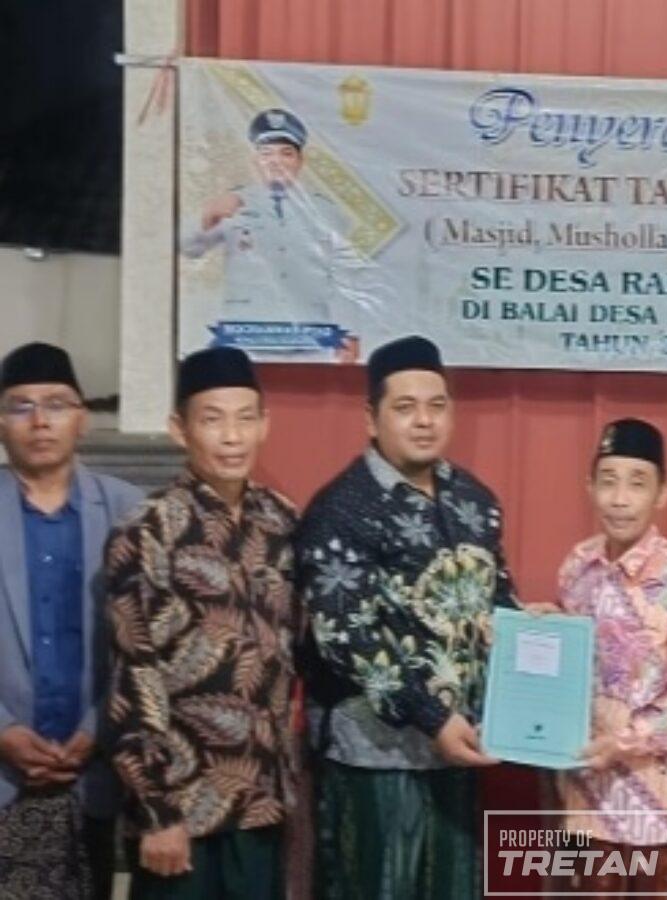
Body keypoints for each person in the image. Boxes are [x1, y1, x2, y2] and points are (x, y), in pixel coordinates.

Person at [296, 335, 518, 899]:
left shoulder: (474, 500)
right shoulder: (341, 509)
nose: (424, 421)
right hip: (375, 758)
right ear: (371, 419)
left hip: (457, 750)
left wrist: (528, 634)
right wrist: (430, 716)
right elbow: (347, 638)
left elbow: (497, 596)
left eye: (436, 405)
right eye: (405, 407)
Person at [106, 347, 300, 899]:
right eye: (212, 420)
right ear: (180, 429)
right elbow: (133, 675)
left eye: (245, 418)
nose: (232, 437)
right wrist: (155, 811)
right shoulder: (147, 529)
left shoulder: (281, 521)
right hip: (181, 811)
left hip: (262, 804)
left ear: (264, 424)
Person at [551, 418, 667, 896]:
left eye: (637, 483)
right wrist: (544, 626)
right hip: (585, 788)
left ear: (662, 494)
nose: (620, 498)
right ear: (589, 487)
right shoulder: (576, 567)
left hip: (653, 795)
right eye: (608, 481)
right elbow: (571, 665)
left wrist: (629, 740)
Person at [0, 342, 143, 900]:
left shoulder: (134, 512)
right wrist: (3, 730)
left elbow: (152, 646)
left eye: (56, 404)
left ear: (82, 418)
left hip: (95, 774)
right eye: (21, 406)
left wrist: (96, 727)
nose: (40, 421)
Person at [181, 107, 368, 352]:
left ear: (300, 161)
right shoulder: (234, 204)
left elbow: (345, 273)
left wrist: (350, 332)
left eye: (286, 154)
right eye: (266, 153)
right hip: (246, 334)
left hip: (309, 335)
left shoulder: (325, 210)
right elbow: (187, 248)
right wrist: (207, 215)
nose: (275, 162)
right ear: (255, 161)